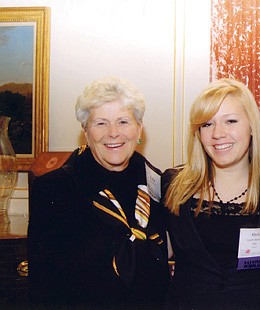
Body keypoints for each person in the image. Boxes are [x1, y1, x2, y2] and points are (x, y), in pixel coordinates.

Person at [28, 76, 170, 308]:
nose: (113, 133)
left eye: (123, 122)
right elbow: (42, 287)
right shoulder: (54, 189)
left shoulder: (159, 184)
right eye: (101, 123)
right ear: (86, 130)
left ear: (139, 128)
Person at [162, 78, 260, 309]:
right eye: (207, 124)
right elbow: (155, 254)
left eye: (230, 121)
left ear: (252, 125)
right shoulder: (172, 185)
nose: (218, 134)